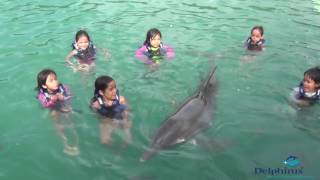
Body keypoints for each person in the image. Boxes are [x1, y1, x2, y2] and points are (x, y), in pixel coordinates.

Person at [36, 69, 79, 155]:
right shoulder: (41, 95)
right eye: (51, 81)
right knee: (56, 118)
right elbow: (45, 105)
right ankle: (65, 144)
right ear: (44, 86)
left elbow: (71, 95)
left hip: (64, 106)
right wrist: (53, 99)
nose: (55, 82)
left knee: (69, 120)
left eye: (55, 79)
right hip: (53, 109)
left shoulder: (63, 87)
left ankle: (76, 143)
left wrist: (65, 100)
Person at [91, 76, 132, 146]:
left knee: (128, 141)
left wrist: (127, 119)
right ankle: (116, 151)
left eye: (115, 88)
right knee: (105, 142)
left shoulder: (121, 99)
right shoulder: (96, 104)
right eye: (111, 89)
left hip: (121, 118)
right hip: (107, 120)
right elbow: (98, 116)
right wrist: (108, 122)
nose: (115, 91)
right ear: (101, 92)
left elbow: (128, 110)